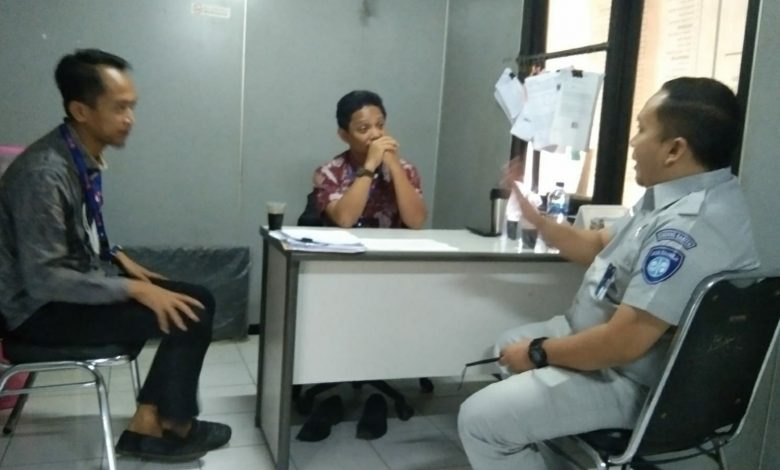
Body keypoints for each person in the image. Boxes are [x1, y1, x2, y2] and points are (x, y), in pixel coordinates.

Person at [457, 77, 760, 470]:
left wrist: (538, 352)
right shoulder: (676, 198)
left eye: (642, 129)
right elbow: (597, 244)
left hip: (632, 379)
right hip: (610, 352)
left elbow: (623, 343)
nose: (632, 142)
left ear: (674, 149)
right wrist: (536, 218)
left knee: (480, 420)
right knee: (504, 346)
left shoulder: (688, 227)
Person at [0, 49, 231, 462]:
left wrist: (119, 258)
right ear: (81, 110)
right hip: (36, 311)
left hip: (66, 292)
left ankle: (155, 418)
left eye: (132, 106)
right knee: (191, 313)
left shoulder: (76, 157)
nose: (130, 118)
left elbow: (74, 236)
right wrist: (134, 290)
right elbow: (44, 278)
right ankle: (165, 426)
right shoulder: (44, 173)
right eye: (119, 107)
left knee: (197, 298)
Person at [311, 90, 427, 229]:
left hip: (390, 243)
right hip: (346, 242)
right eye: (363, 128)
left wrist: (395, 166)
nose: (376, 134)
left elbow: (416, 221)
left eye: (380, 125)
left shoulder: (406, 169)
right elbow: (345, 220)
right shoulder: (329, 172)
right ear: (344, 135)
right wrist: (370, 165)